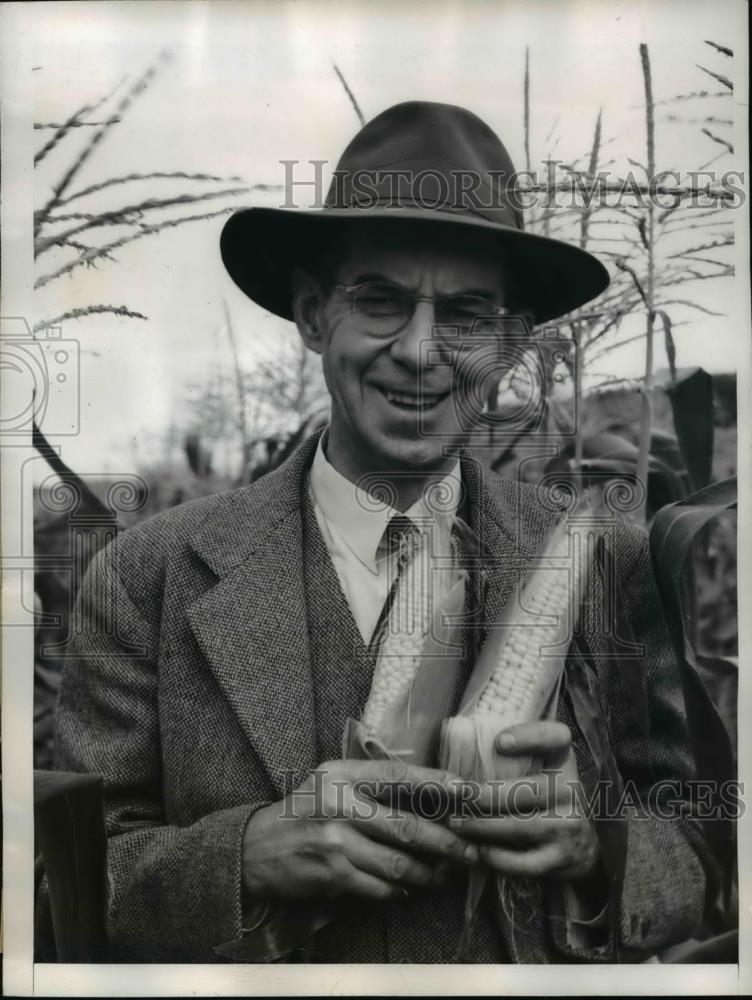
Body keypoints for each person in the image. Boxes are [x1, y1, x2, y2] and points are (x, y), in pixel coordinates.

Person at [54, 101, 719, 963]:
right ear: (310, 315)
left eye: (467, 315)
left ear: (513, 342)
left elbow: (704, 847)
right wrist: (243, 856)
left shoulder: (609, 561)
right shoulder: (146, 576)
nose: (419, 350)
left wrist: (602, 847)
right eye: (380, 301)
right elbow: (60, 877)